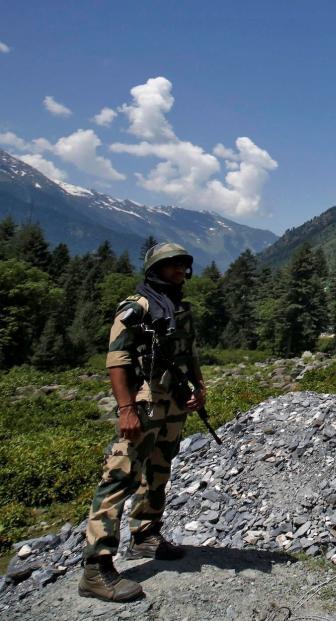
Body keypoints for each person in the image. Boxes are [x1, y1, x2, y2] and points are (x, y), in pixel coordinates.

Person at [79, 243, 205, 602]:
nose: (180, 271)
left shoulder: (180, 308)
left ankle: (146, 535)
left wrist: (200, 387)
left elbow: (189, 352)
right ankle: (96, 567)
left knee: (160, 470)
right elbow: (117, 360)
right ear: (155, 269)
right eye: (172, 266)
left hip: (172, 404)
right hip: (143, 404)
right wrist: (126, 409)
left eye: (183, 265)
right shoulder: (136, 308)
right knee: (120, 476)